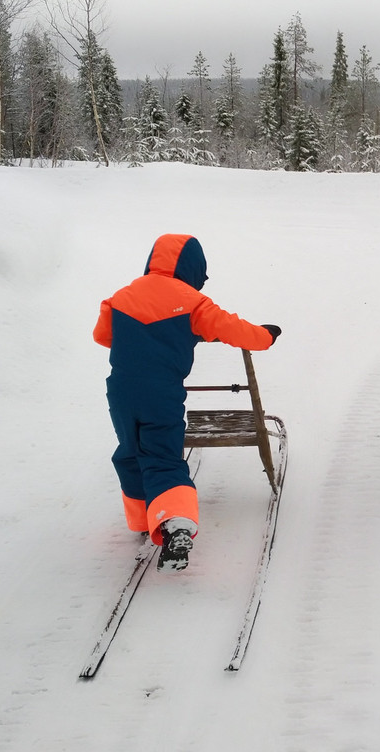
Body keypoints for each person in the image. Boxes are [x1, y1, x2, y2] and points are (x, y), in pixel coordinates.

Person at [94, 233, 281, 571]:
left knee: (131, 450)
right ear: (193, 269)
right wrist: (264, 335)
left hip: (120, 390)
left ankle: (142, 520)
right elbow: (232, 329)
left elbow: (103, 335)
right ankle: (176, 524)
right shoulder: (192, 302)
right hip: (161, 394)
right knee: (163, 456)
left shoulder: (121, 296)